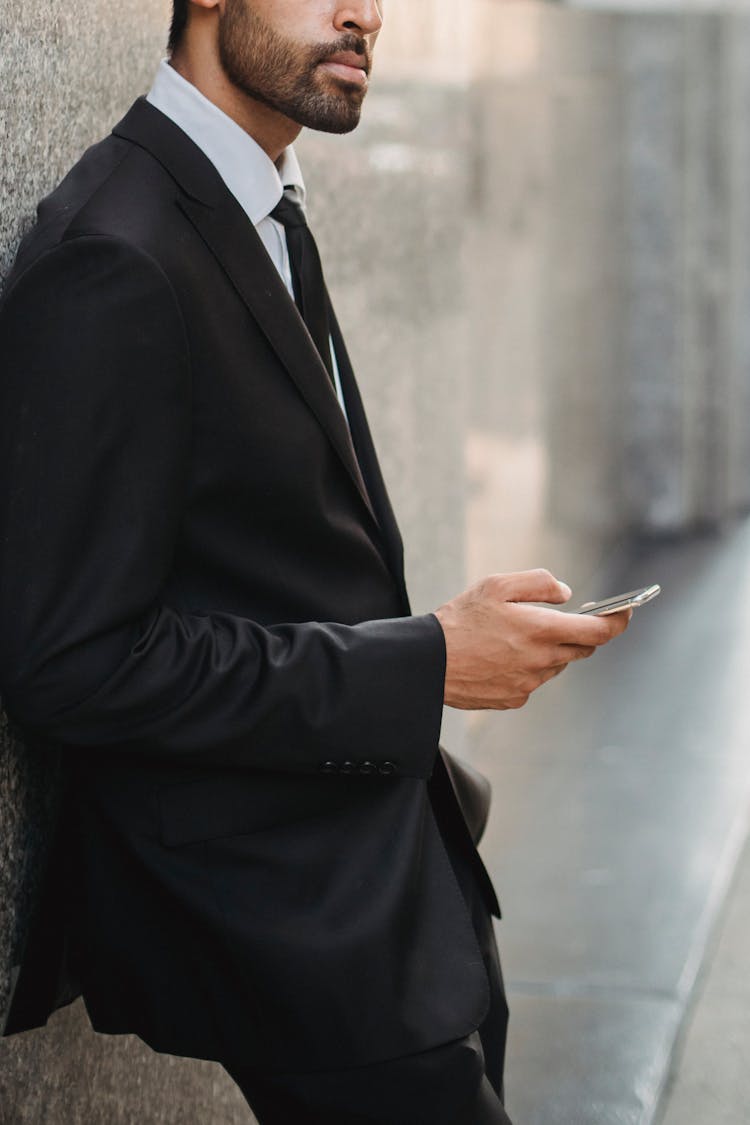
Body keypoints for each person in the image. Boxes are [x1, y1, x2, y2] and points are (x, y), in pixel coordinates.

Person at [0, 2, 630, 1121]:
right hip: (282, 917)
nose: (364, 12)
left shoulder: (254, 204)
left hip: (394, 866)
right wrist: (424, 666)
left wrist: (438, 635)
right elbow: (74, 660)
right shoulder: (115, 251)